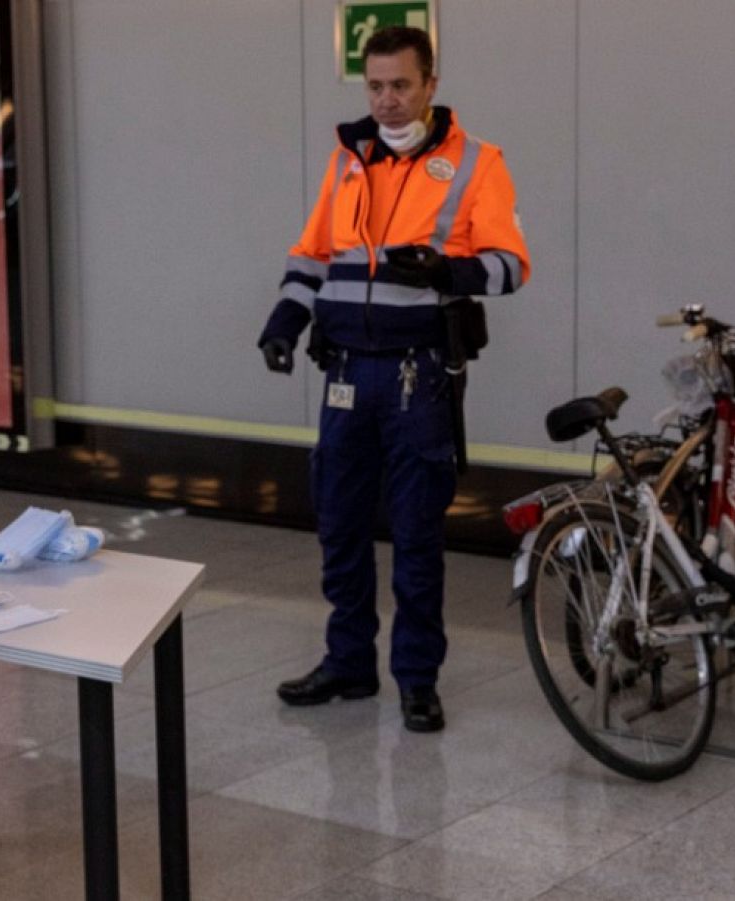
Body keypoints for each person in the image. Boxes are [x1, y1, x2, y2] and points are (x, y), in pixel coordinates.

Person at [258, 26, 529, 733]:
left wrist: (450, 271)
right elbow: (313, 253)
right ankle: (348, 663)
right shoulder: (348, 159)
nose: (387, 100)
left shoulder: (477, 162)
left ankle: (416, 678)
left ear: (431, 84)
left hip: (418, 382)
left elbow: (512, 264)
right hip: (345, 372)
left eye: (401, 86)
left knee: (415, 534)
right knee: (340, 526)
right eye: (375, 86)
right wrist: (285, 320)